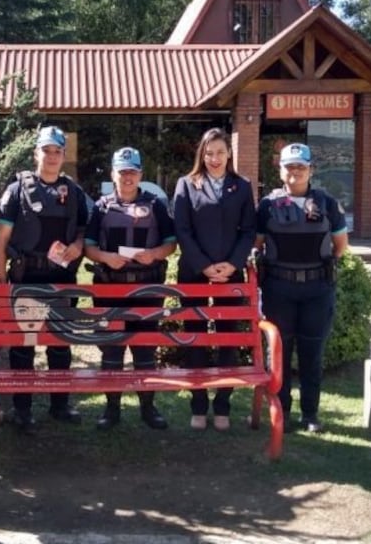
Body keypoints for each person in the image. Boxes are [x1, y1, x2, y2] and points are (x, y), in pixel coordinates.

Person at [0, 125, 89, 435]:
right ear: (36, 153)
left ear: (64, 155)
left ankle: (60, 405)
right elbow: (2, 239)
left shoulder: (73, 191)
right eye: (46, 150)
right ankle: (22, 411)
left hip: (62, 278)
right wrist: (1, 280)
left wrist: (77, 245)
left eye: (57, 151)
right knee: (25, 346)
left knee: (60, 344)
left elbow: (83, 229)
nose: (51, 156)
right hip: (27, 278)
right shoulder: (17, 189)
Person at [255, 143, 348, 434]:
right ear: (280, 169)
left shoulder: (327, 203)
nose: (295, 172)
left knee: (312, 353)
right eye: (289, 166)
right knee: (279, 352)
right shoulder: (267, 205)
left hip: (317, 289)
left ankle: (310, 414)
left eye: (301, 166)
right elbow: (256, 244)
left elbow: (340, 246)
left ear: (311, 169)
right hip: (278, 288)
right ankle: (280, 411)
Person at [84, 147, 177, 430]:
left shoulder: (156, 205)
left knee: (145, 351)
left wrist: (155, 254)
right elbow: (88, 247)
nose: (127, 177)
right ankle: (111, 410)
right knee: (111, 351)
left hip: (147, 289)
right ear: (113, 174)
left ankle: (148, 408)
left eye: (132, 171)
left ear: (140, 174)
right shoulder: (100, 208)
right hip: (110, 289)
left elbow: (171, 244)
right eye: (122, 171)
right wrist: (105, 257)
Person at [172, 127, 256, 431]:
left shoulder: (242, 186)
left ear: (229, 154)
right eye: (209, 153)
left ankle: (222, 405)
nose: (215, 158)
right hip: (195, 272)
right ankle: (197, 405)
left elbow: (248, 230)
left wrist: (231, 265)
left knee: (226, 337)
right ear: (201, 155)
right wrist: (205, 266)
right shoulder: (186, 184)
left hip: (230, 274)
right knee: (195, 336)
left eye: (220, 152)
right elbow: (182, 230)